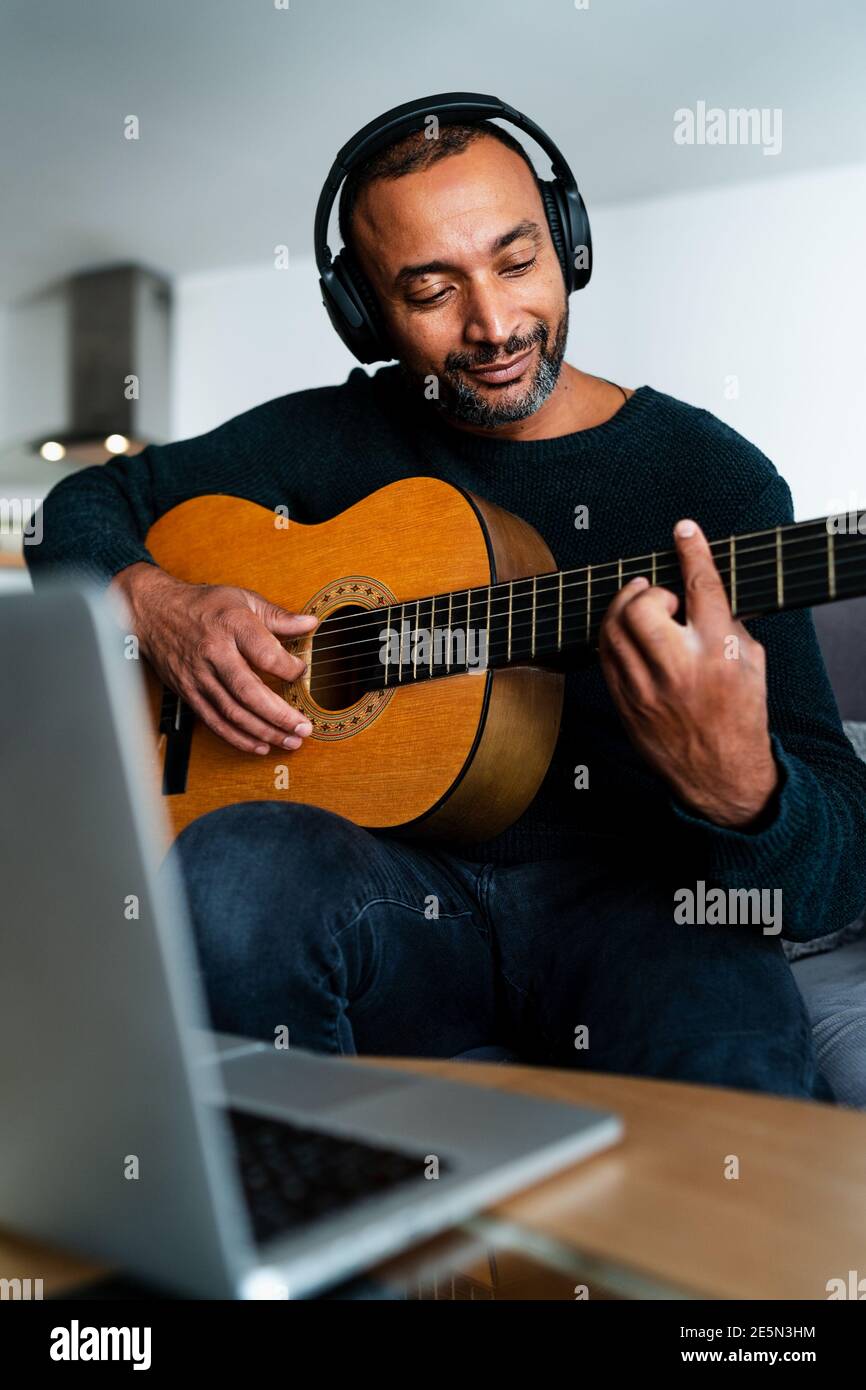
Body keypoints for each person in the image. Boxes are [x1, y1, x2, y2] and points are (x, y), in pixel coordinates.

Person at [26, 108, 866, 1100]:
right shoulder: (334, 435)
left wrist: (742, 789)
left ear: (568, 244)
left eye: (516, 263)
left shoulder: (712, 479)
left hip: (638, 912)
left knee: (740, 1077)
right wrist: (152, 597)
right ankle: (303, 1234)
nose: (493, 324)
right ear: (366, 314)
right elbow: (72, 512)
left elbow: (837, 870)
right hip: (386, 895)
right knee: (235, 872)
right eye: (430, 290)